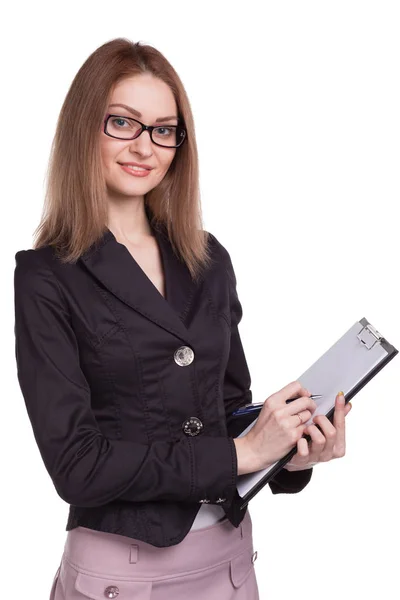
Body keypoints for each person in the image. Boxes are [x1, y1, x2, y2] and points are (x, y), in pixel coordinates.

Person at [13, 38, 352, 600]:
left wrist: (290, 452)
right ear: (83, 128)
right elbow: (77, 465)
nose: (146, 146)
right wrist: (241, 453)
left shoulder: (207, 257)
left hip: (230, 560)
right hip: (122, 573)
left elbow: (224, 411)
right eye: (123, 123)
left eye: (164, 129)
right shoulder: (47, 276)